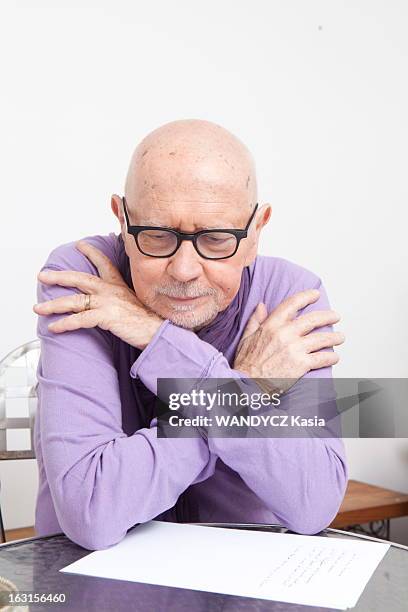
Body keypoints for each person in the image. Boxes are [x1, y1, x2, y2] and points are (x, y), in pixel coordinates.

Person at [33, 119, 347, 551]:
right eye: (157, 236)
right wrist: (246, 387)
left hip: (243, 577)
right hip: (94, 581)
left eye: (217, 239)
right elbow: (92, 510)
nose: (183, 271)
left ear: (256, 231)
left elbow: (312, 503)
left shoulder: (291, 297)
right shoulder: (83, 275)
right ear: (123, 220)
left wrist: (153, 334)